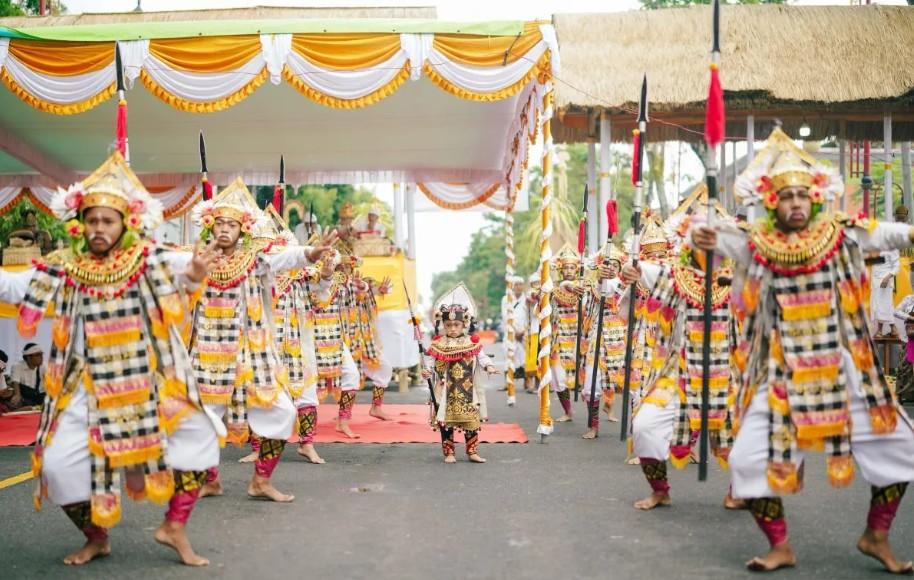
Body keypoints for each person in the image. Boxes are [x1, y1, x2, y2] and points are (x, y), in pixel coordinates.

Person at [691, 127, 914, 574]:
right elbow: (715, 239)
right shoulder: (756, 242)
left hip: (842, 369)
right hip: (780, 374)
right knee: (746, 460)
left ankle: (876, 535)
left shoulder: (843, 233)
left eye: (800, 195)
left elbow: (886, 235)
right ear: (772, 202)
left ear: (814, 198)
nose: (794, 202)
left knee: (902, 449)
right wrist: (702, 234)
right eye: (785, 196)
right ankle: (780, 545)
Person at [0, 151, 224, 567]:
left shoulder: (149, 258)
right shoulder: (63, 267)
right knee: (56, 466)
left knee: (201, 439)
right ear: (80, 223)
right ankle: (96, 536)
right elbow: (13, 286)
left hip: (149, 379)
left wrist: (195, 271)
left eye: (107, 220)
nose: (99, 227)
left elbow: (185, 272)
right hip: (83, 385)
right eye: (92, 220)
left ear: (125, 223)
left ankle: (174, 525)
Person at [188, 179, 336, 502]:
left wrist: (312, 252)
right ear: (210, 225)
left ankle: (261, 480)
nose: (225, 229)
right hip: (209, 355)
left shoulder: (257, 259)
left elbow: (291, 257)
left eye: (233, 224)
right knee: (204, 418)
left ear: (243, 229)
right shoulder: (196, 258)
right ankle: (210, 479)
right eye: (220, 223)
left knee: (282, 411)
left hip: (253, 354)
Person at [620, 192, 743, 511]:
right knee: (645, 425)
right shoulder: (676, 276)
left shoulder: (740, 276)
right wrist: (630, 269)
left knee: (747, 437)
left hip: (727, 372)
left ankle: (739, 491)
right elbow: (643, 271)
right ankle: (660, 489)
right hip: (680, 371)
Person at [421, 283, 499, 463]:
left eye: (457, 325)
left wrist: (489, 367)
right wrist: (426, 371)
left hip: (468, 391)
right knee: (445, 422)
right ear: (444, 325)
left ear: (465, 324)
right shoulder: (438, 344)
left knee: (471, 422)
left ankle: (472, 452)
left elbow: (482, 357)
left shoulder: (472, 343)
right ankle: (449, 453)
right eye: (448, 325)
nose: (453, 329)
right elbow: (430, 362)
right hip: (446, 390)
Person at [582, 241, 628, 436]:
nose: (611, 269)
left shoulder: (627, 285)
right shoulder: (594, 285)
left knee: (629, 383)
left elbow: (618, 291)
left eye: (615, 266)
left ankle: (633, 432)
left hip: (621, 336)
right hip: (598, 336)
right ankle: (593, 426)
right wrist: (600, 280)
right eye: (608, 265)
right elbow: (591, 303)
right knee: (591, 383)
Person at [550, 246, 591, 424]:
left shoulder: (586, 288)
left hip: (580, 338)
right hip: (559, 338)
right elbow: (564, 286)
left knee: (588, 380)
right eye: (565, 268)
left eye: (572, 268)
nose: (568, 271)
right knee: (558, 377)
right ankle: (567, 411)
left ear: (577, 269)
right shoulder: (555, 288)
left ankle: (593, 415)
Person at [871, 205, 907, 337]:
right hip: (876, 279)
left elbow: (896, 266)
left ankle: (887, 330)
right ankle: (890, 330)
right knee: (878, 305)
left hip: (885, 280)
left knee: (885, 304)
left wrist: (887, 277)